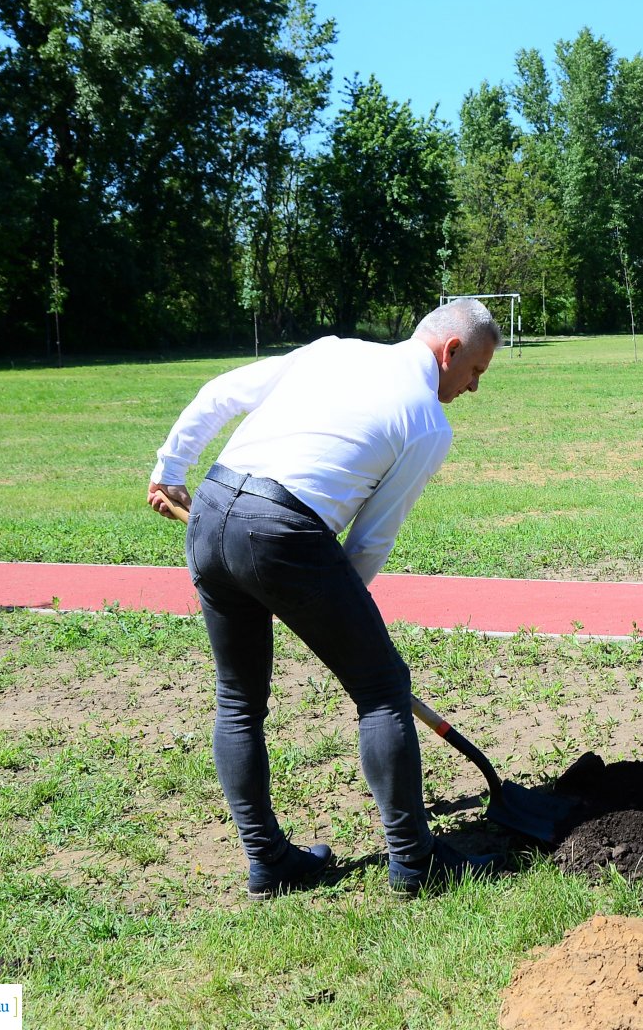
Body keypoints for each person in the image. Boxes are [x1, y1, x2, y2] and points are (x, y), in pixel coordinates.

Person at [147, 298, 501, 897]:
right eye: (475, 372)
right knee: (382, 689)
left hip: (211, 510)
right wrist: (328, 612)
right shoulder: (426, 422)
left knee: (238, 700)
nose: (473, 388)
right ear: (450, 351)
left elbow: (219, 394)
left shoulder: (332, 351)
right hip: (281, 529)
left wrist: (171, 467)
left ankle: (268, 862)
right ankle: (415, 863)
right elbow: (371, 539)